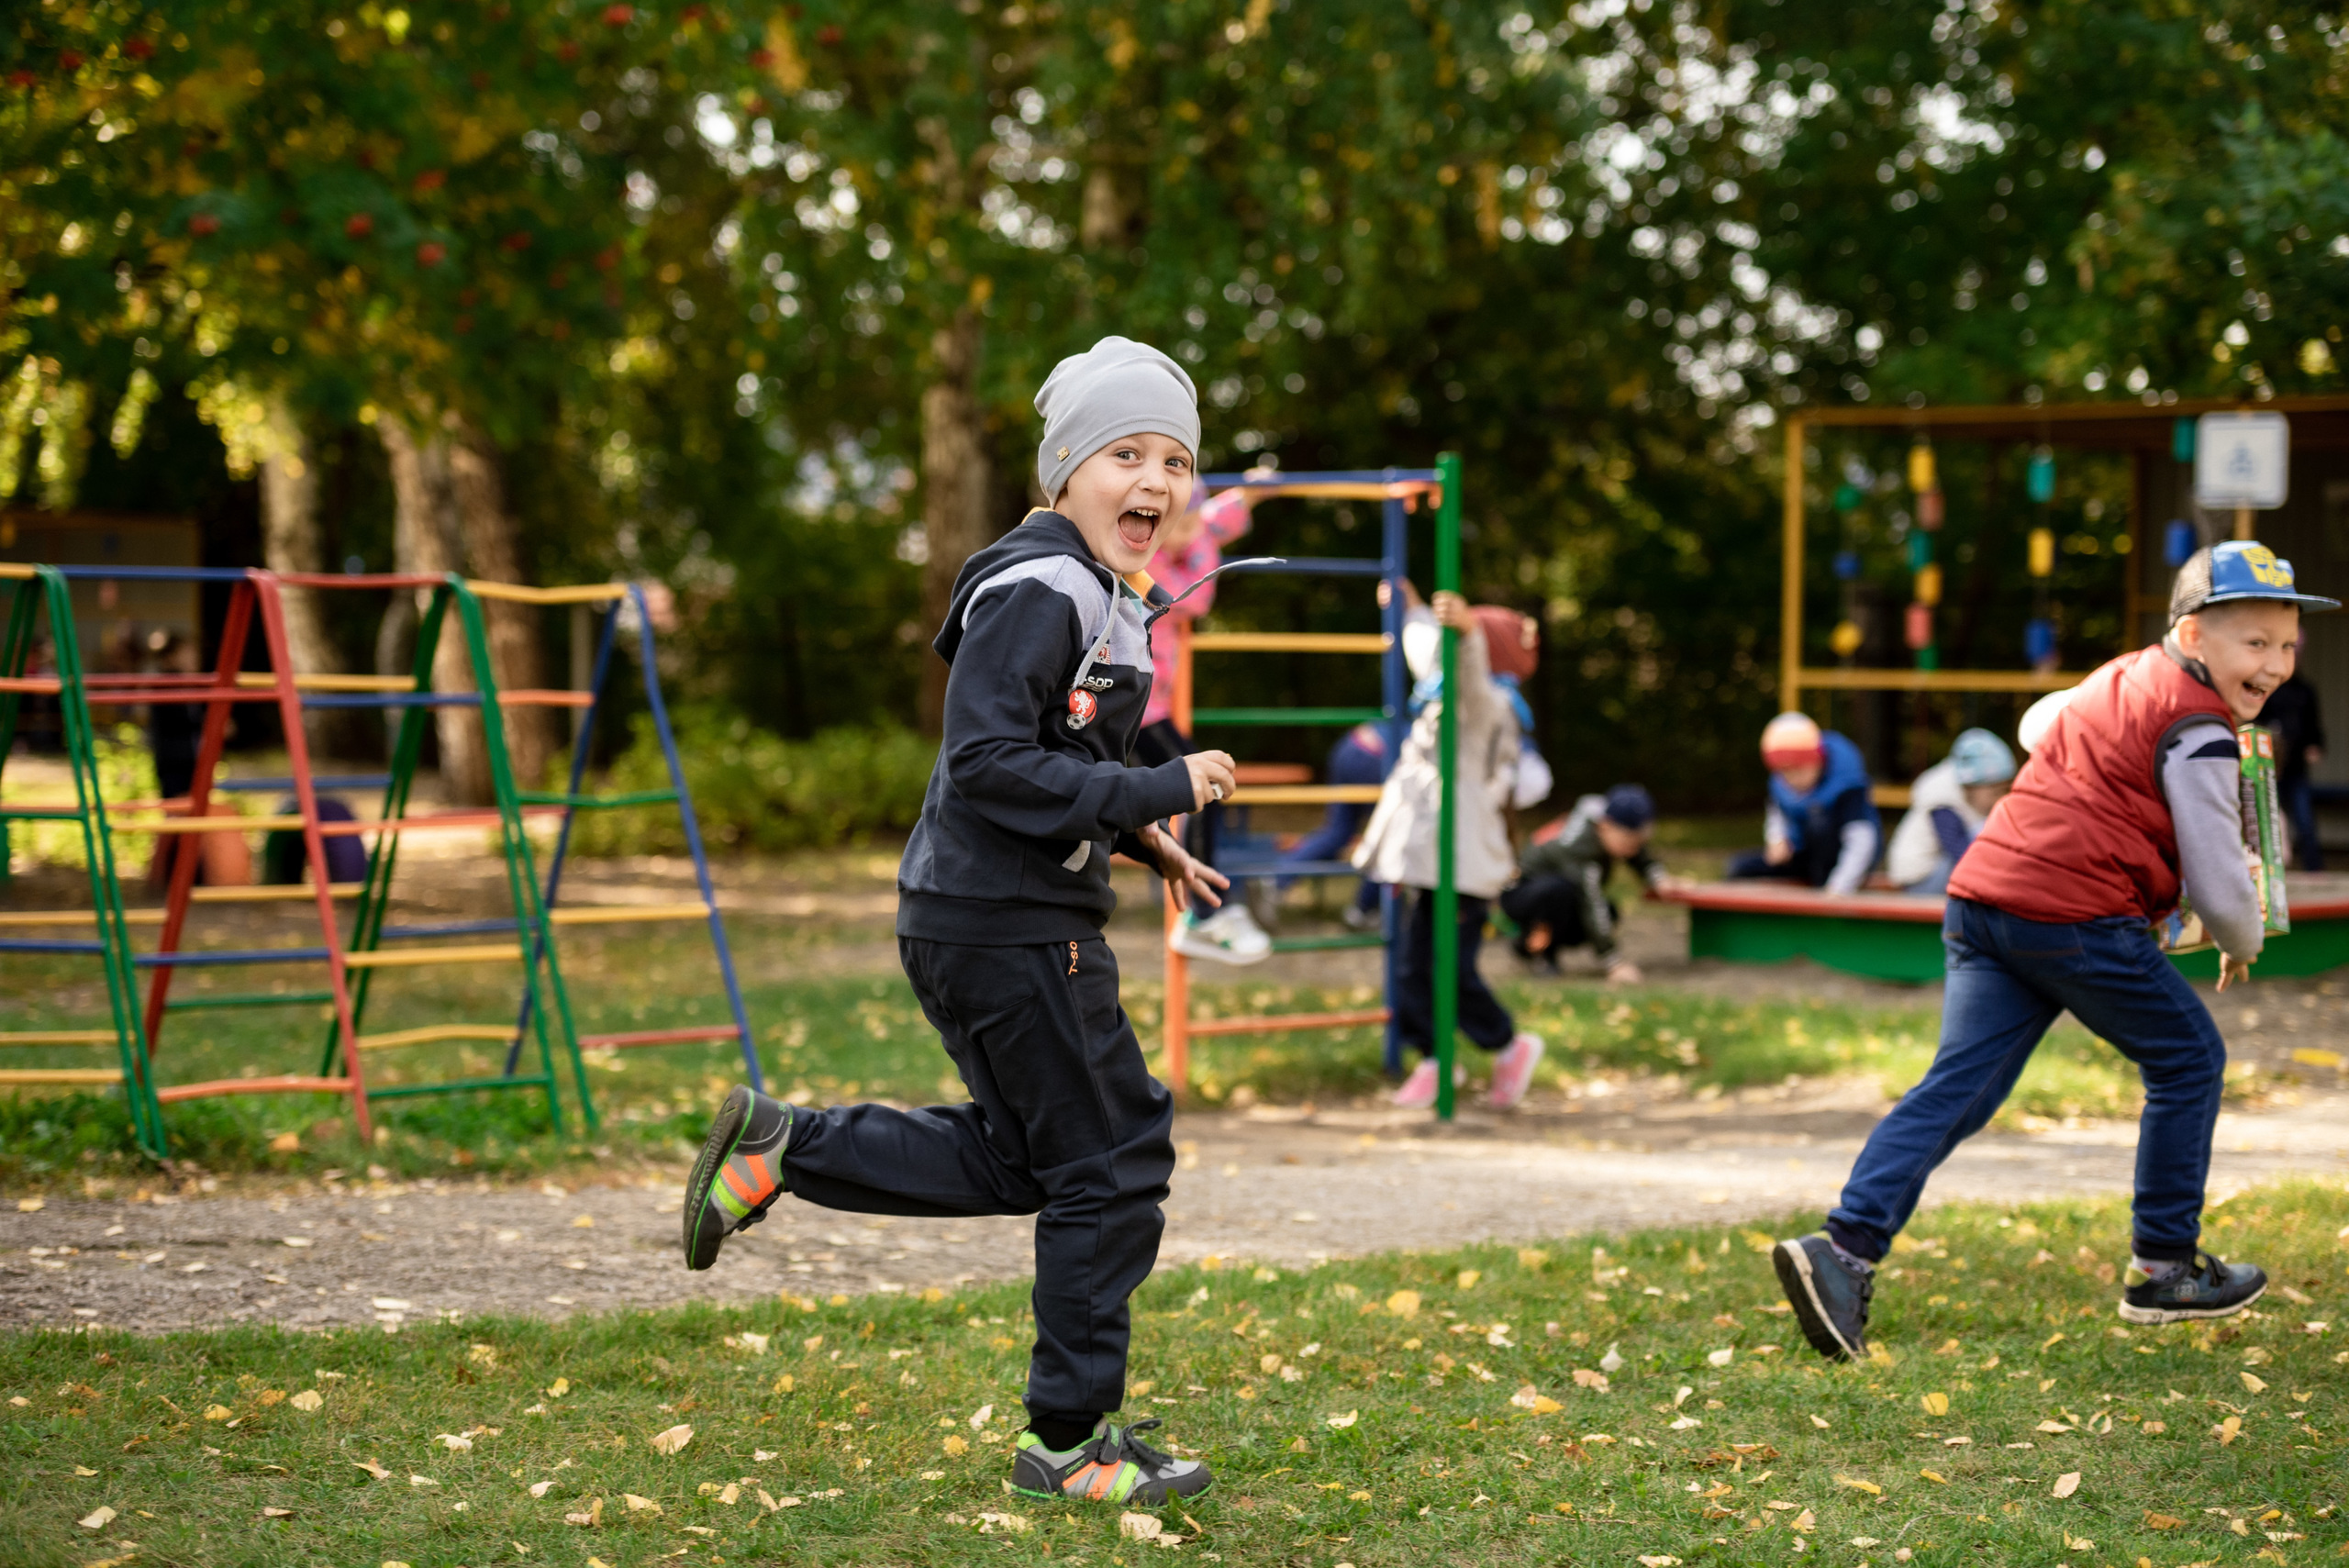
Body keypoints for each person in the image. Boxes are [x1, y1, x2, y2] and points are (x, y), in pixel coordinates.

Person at [683, 337, 1229, 1506]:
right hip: (1012, 925)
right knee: (1114, 1161)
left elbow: (1062, 756)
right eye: (1125, 451)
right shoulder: (1044, 587)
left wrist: (1142, 834)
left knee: (1033, 1157)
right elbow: (986, 761)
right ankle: (1068, 1441)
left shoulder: (1088, 590)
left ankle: (789, 1147)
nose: (1155, 480)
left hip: (987, 914)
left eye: (1175, 460)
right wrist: (1154, 789)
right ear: (1066, 470)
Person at [1771, 539, 2331, 1361]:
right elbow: (2217, 878)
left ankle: (1842, 1250)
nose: (2275, 664)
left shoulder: (2121, 676)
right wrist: (2242, 937)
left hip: (1984, 895)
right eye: (2254, 643)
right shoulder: (2200, 726)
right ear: (2191, 636)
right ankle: (2164, 1265)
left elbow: (2039, 723)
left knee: (1958, 1086)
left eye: (2287, 645)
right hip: (2073, 915)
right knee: (2188, 1059)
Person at [1353, 589, 1546, 1109]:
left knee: (1450, 969)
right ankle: (1439, 1059)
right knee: (1417, 965)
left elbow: (1466, 672)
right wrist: (1411, 603)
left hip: (1464, 859)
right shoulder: (1442, 684)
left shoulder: (1487, 701)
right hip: (1434, 857)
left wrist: (1468, 633)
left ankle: (1508, 1045)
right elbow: (1424, 645)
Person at [1138, 478, 1272, 963]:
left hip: (1149, 708)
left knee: (1203, 789)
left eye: (1196, 521)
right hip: (1131, 707)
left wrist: (1253, 493)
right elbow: (1191, 599)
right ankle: (1204, 916)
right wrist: (1204, 539)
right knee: (1199, 787)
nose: (1193, 530)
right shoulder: (1142, 554)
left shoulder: (1184, 530)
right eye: (1184, 524)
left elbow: (1216, 515)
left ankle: (1204, 914)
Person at [1501, 784, 1680, 984]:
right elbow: (1590, 901)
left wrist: (1658, 878)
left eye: (1638, 842)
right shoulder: (1579, 848)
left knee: (1608, 911)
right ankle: (1540, 953)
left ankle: (1524, 946)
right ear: (1605, 826)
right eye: (1628, 842)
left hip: (1556, 895)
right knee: (1562, 893)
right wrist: (1614, 962)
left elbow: (1636, 854)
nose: (1633, 849)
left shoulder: (1605, 824)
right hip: (1521, 893)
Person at [1727, 711, 1881, 894]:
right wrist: (1777, 839)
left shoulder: (1847, 786)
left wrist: (1839, 888)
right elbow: (1777, 812)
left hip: (1840, 866)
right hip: (1803, 855)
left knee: (1818, 823)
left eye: (1798, 771)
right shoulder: (1780, 784)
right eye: (1784, 773)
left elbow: (1861, 842)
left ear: (1818, 760)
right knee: (1739, 867)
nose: (1791, 779)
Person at [1269, 721, 1393, 930]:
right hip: (1374, 756)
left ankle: (1277, 878)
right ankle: (1365, 909)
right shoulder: (1438, 727)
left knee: (1339, 831)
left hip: (1350, 744)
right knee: (1388, 838)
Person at [1883, 728, 2017, 894]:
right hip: (1921, 879)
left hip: (1935, 871)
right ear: (1970, 787)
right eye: (1995, 793)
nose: (1999, 799)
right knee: (1975, 853)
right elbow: (1960, 853)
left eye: (2004, 791)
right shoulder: (1943, 804)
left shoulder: (1968, 800)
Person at [2256, 670, 2325, 871]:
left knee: (2304, 821)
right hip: (2269, 766)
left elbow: (2314, 724)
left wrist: (2315, 745)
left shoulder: (2304, 690)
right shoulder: (2266, 689)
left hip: (2296, 767)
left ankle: (2314, 870)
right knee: (2271, 819)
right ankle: (2269, 870)